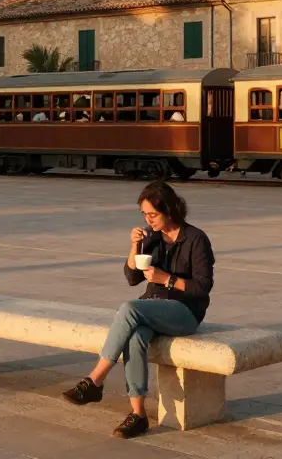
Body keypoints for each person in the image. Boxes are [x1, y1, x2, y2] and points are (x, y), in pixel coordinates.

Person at [60, 181, 215, 439]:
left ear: (170, 210)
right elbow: (133, 278)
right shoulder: (152, 238)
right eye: (144, 214)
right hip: (152, 308)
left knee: (129, 308)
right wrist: (134, 247)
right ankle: (138, 414)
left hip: (184, 312)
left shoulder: (196, 239)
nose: (148, 219)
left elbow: (203, 287)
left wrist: (168, 279)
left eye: (152, 214)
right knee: (135, 337)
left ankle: (95, 380)